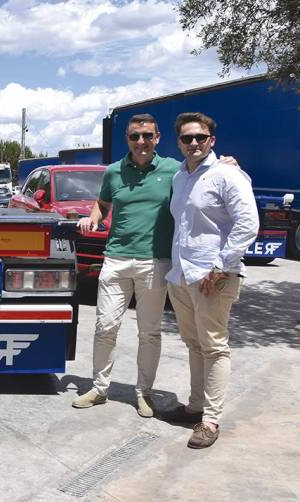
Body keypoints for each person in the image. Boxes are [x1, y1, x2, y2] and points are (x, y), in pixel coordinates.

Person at [71, 114, 181, 417]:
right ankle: (99, 388)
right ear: (127, 139)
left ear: (157, 137)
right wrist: (94, 218)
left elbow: (202, 174)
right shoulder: (114, 171)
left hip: (154, 262)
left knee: (149, 333)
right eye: (135, 136)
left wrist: (226, 164)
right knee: (105, 326)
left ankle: (143, 393)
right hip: (116, 259)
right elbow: (103, 203)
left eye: (147, 135)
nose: (141, 142)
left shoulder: (174, 169)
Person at [162, 112, 258, 449]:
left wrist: (220, 267)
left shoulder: (227, 175)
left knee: (215, 347)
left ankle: (211, 420)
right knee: (194, 344)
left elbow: (248, 224)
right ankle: (195, 406)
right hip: (182, 274)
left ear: (211, 140)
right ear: (179, 142)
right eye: (186, 138)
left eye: (199, 138)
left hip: (212, 277)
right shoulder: (179, 177)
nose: (193, 143)